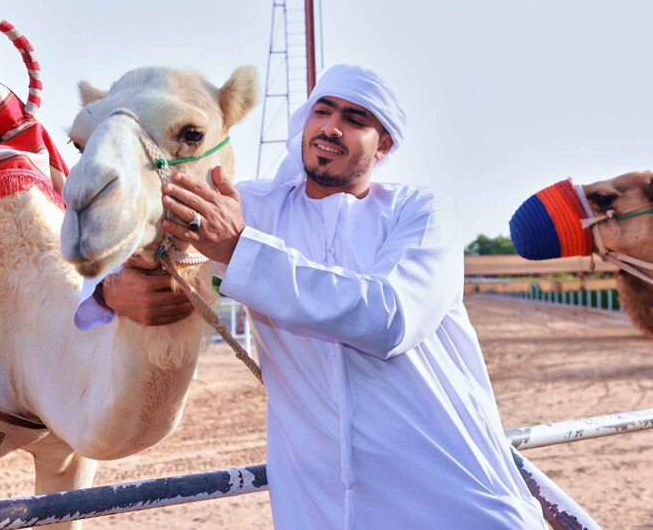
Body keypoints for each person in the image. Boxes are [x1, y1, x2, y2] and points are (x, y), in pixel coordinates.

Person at [73, 64, 546, 529]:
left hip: (451, 495)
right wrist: (112, 291)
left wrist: (238, 249)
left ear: (384, 145)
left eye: (355, 120)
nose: (332, 128)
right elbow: (134, 225)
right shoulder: (245, 208)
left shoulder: (420, 213)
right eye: (324, 111)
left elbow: (390, 319)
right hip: (318, 507)